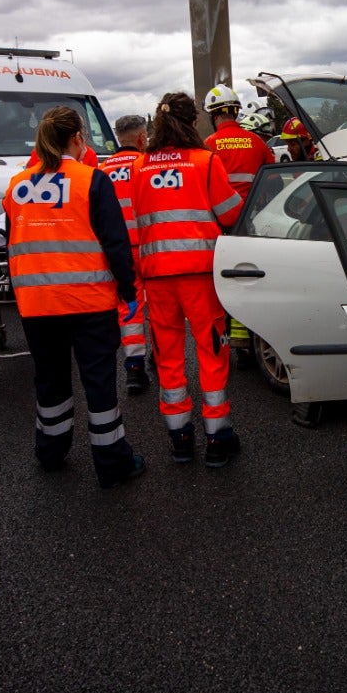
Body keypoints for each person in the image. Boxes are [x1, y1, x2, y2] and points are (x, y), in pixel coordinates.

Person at [5, 107, 145, 485]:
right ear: (78, 139)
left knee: (49, 380)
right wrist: (128, 290)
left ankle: (50, 451)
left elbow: (13, 242)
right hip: (88, 302)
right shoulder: (92, 181)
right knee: (98, 384)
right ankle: (112, 465)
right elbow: (115, 243)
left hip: (37, 303)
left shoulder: (17, 185)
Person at [130, 92, 244, 467]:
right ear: (194, 124)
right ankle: (218, 438)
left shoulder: (140, 165)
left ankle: (180, 439)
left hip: (157, 277)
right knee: (212, 352)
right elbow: (230, 214)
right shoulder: (205, 161)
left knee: (167, 356)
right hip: (200, 275)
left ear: (156, 125)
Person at [202, 85, 275, 363]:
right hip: (253, 226)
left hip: (219, 228)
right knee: (250, 283)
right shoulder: (257, 143)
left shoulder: (208, 145)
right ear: (236, 111)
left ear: (213, 115)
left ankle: (226, 341)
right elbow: (274, 181)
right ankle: (248, 343)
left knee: (223, 285)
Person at [97, 114, 152, 395]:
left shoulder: (102, 169)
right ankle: (162, 358)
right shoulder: (147, 165)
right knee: (158, 306)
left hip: (119, 252)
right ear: (142, 138)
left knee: (129, 309)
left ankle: (134, 368)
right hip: (150, 248)